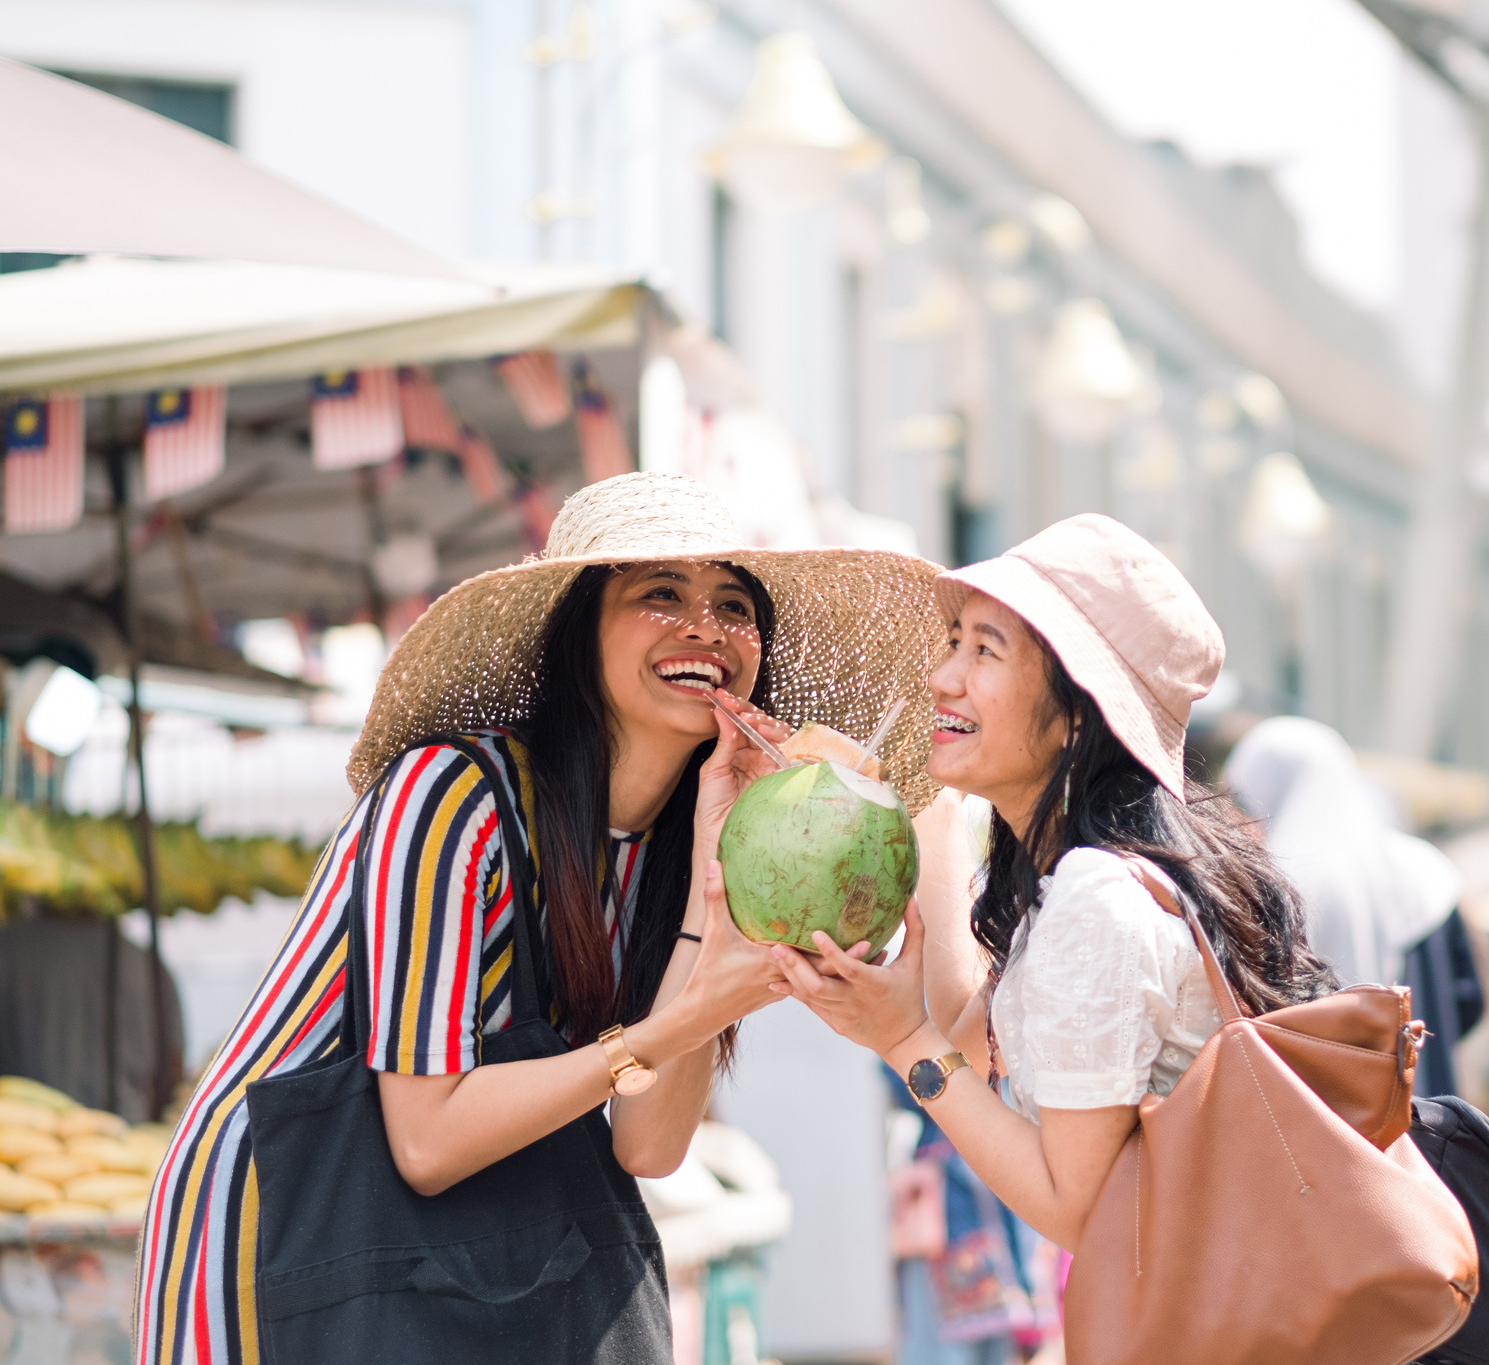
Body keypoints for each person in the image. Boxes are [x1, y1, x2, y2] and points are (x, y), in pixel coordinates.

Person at [135, 474, 944, 1365]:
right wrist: (684, 1017)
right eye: (660, 594)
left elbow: (648, 1145)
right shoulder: (448, 796)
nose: (706, 628)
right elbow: (428, 1139)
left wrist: (721, 920)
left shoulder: (692, 851)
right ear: (578, 636)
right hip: (281, 1226)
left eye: (734, 603)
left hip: (447, 1253)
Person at [763, 513, 1336, 1257]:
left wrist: (903, 1039)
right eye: (952, 644)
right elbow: (966, 1045)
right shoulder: (1093, 877)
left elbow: (1079, 1211)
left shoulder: (1095, 898)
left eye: (984, 650)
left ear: (1075, 713)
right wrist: (917, 791)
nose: (943, 676)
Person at [1222, 716, 1475, 1096]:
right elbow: (1470, 1000)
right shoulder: (1428, 871)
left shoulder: (1275, 886)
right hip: (1428, 1102)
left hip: (1331, 1118)